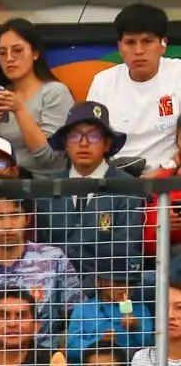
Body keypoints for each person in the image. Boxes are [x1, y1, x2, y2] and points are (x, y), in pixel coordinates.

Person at [33, 101, 147, 291]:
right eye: (75, 135)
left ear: (107, 143)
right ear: (65, 143)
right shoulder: (47, 189)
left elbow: (125, 248)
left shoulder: (127, 187)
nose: (83, 143)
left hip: (106, 291)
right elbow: (40, 249)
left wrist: (88, 289)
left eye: (93, 136)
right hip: (53, 291)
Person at [0, 196, 78, 353]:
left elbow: (78, 317)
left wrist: (60, 358)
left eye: (15, 215)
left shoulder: (53, 259)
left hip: (45, 360)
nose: (7, 225)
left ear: (27, 218)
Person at [84, 3, 181, 171]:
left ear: (163, 45)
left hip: (169, 174)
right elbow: (92, 140)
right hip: (115, 177)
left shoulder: (177, 74)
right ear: (120, 48)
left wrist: (161, 174)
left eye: (147, 41)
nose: (138, 51)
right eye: (130, 42)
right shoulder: (103, 82)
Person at [0, 19, 74, 178]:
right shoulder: (0, 95)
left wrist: (20, 110)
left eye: (17, 50)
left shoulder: (55, 92)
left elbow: (49, 158)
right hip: (5, 184)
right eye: (2, 53)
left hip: (45, 185)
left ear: (35, 53)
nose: (9, 58)